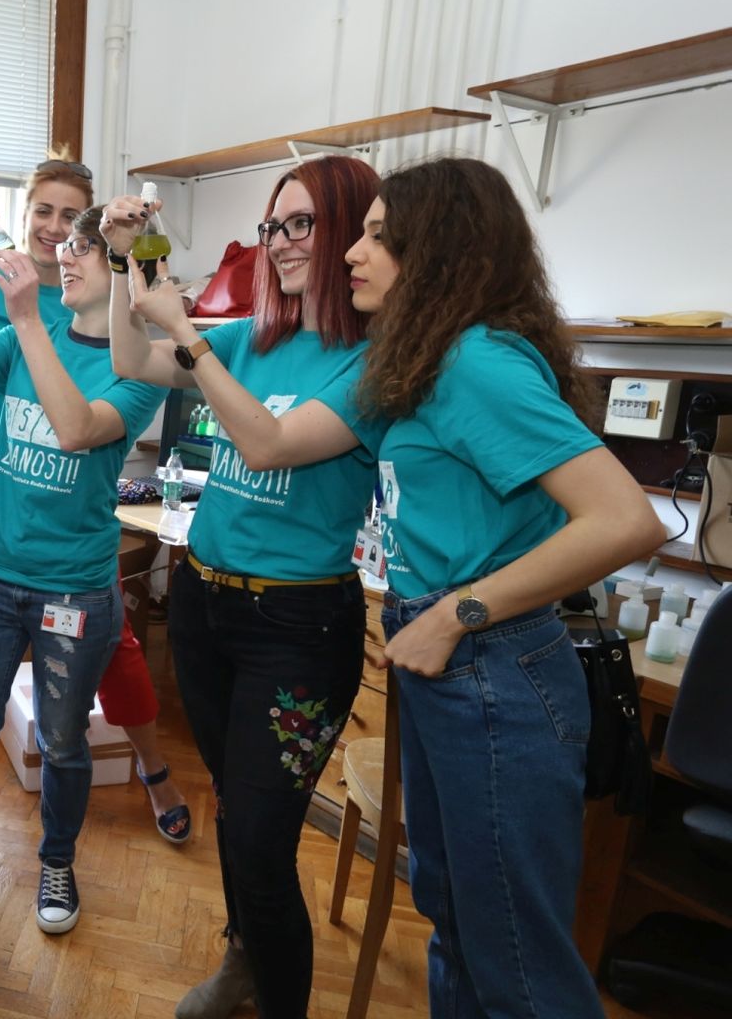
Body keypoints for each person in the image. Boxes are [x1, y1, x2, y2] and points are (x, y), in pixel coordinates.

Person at [124, 156, 664, 1018]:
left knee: (515, 960)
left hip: (490, 659)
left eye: (376, 236)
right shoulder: (429, 362)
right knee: (455, 920)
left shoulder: (476, 362)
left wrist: (456, 615)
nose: (350, 252)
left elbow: (627, 519)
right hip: (451, 660)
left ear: (439, 249)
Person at [104, 155, 380, 1019]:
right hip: (205, 602)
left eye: (302, 224)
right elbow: (130, 357)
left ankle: (277, 994)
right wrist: (124, 264)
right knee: (233, 812)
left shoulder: (374, 360)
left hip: (297, 627)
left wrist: (187, 330)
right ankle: (244, 958)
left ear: (351, 233)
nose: (282, 242)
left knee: (263, 844)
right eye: (273, 226)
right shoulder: (253, 337)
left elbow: (266, 443)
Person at [0, 204, 167, 944]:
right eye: (67, 244)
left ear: (126, 269)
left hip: (74, 589)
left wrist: (24, 320)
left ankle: (56, 864)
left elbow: (77, 429)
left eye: (87, 248)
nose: (65, 256)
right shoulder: (25, 336)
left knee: (63, 741)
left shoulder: (139, 367)